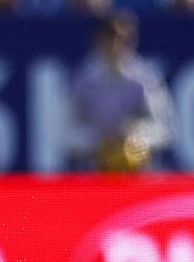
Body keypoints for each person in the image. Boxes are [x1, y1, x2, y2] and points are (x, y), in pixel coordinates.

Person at [68, 12, 175, 172]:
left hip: (138, 175)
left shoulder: (145, 78)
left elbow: (165, 127)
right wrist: (98, 141)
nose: (116, 45)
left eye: (123, 39)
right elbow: (63, 132)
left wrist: (137, 137)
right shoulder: (81, 80)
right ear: (98, 40)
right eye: (110, 38)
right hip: (92, 174)